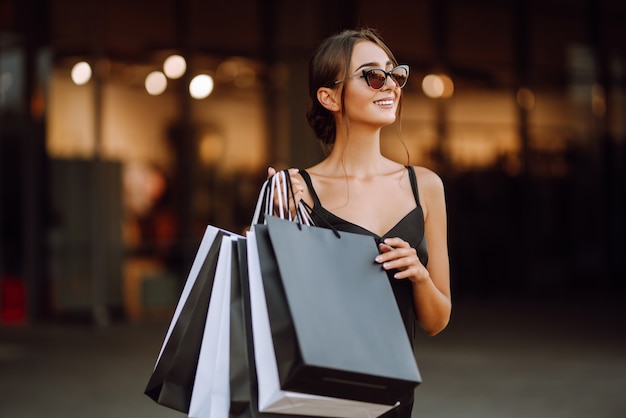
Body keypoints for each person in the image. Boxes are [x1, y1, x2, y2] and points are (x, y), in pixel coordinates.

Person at [269, 28, 451, 417]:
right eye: (372, 75)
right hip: (315, 398)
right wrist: (273, 230)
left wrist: (419, 275)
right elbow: (275, 309)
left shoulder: (426, 187)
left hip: (393, 399)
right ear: (329, 96)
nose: (390, 85)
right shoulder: (297, 190)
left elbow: (436, 321)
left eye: (395, 73)